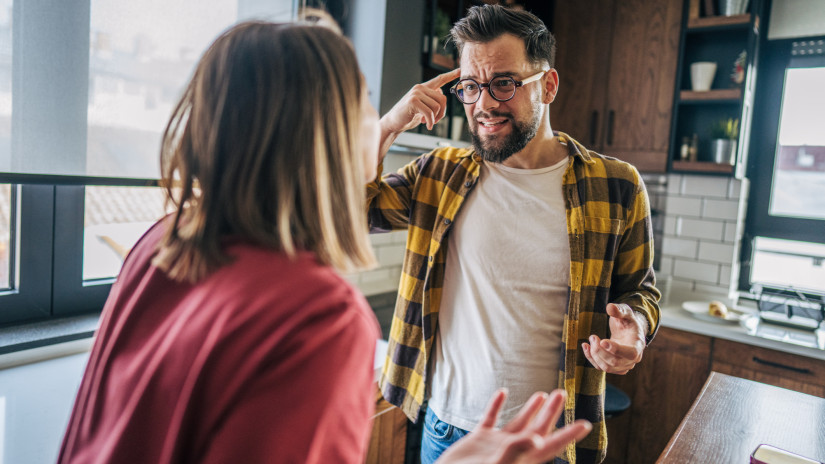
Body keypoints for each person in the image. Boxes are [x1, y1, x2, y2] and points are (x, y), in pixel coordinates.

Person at [57, 13, 590, 464]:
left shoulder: (161, 244)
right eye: (364, 103)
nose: (377, 119)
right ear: (322, 133)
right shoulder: (316, 319)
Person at [371, 5, 661, 464]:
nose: (484, 104)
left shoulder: (616, 185)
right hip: (447, 431)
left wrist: (635, 332)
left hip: (549, 444)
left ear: (547, 85)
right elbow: (353, 211)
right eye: (470, 86)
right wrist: (385, 128)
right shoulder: (439, 174)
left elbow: (639, 292)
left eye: (504, 83)